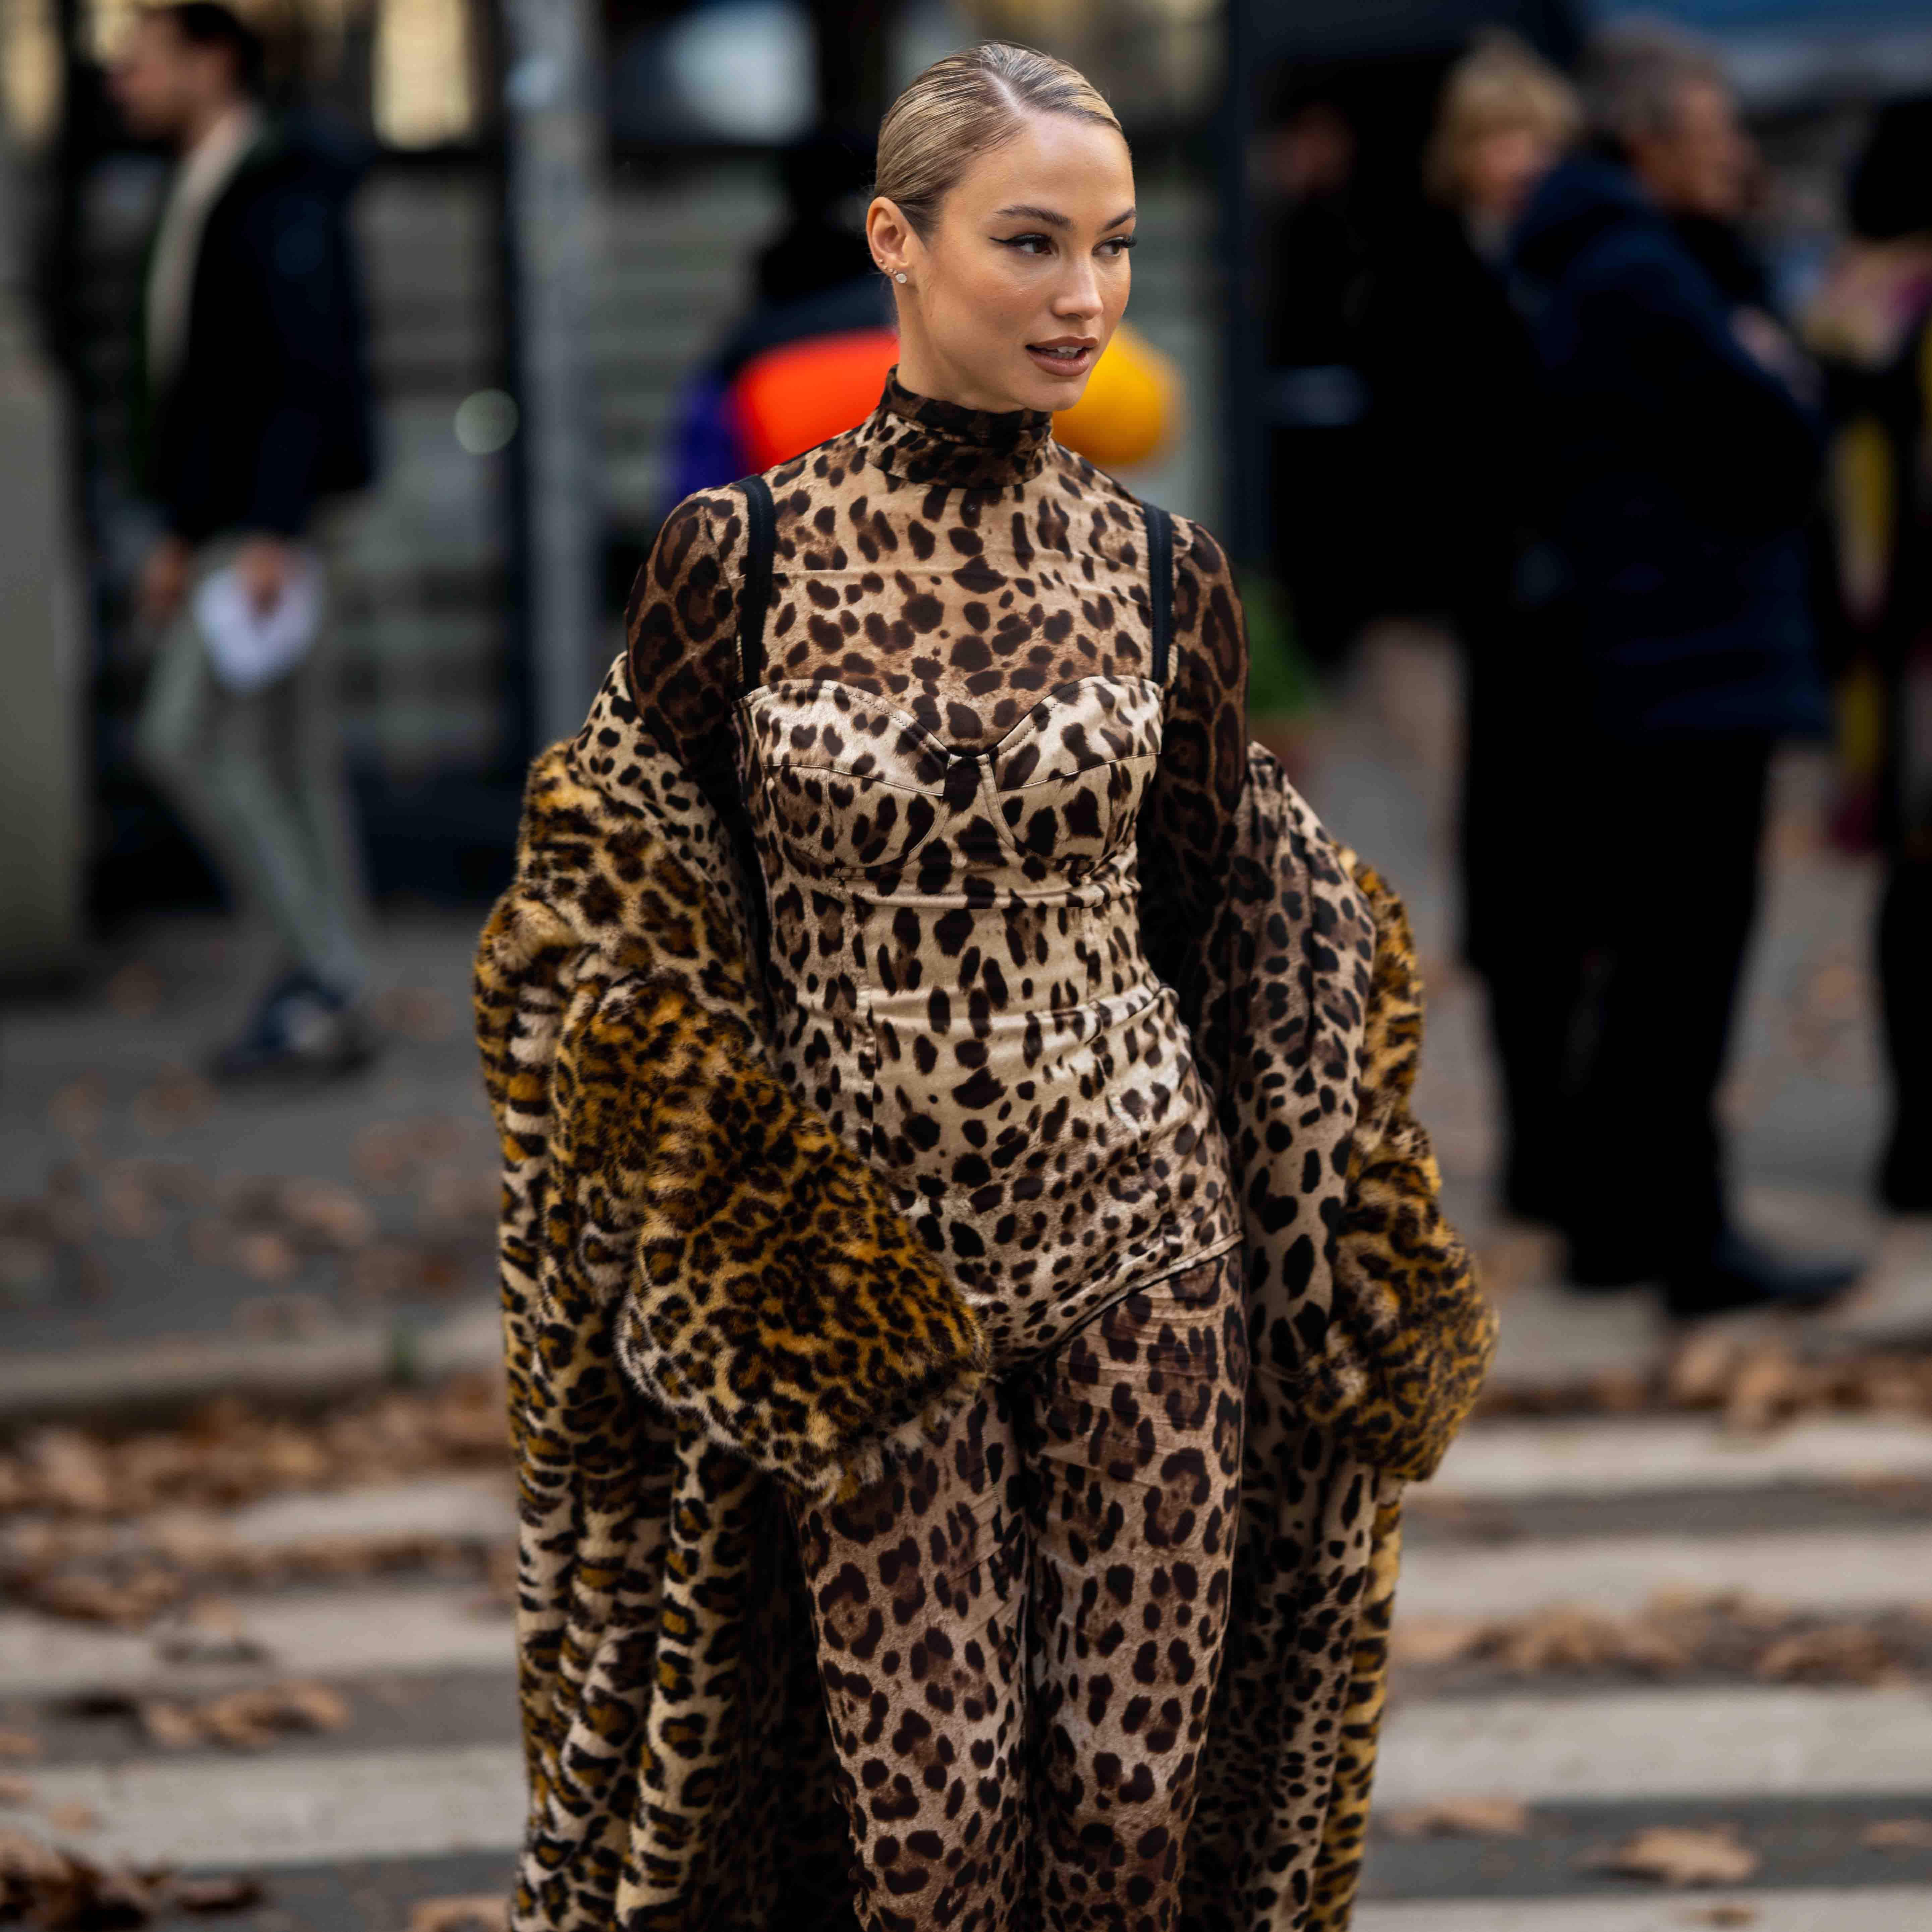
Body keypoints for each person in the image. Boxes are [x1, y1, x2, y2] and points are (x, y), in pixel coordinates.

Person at [474, 41, 1495, 1932]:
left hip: (1144, 1234)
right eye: (1029, 243)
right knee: (929, 1853)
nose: (1083, 298)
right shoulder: (740, 560)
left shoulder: (1166, 571)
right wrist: (742, 1229)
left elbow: (1232, 905)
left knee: (1128, 1836)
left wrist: (1342, 1188)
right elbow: (606, 910)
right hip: (870, 1288)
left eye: (1108, 247)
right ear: (898, 241)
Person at [1510, 22, 1856, 1314]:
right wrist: (1773, 369)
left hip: (1657, 658)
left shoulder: (1613, 262)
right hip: (1684, 662)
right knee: (1683, 962)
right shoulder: (1643, 275)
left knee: (1655, 956)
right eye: (1713, 134)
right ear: (1649, 143)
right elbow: (1773, 428)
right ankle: (1690, 1238)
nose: (1734, 159)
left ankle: (1622, 1221)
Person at [112, 2, 377, 1080]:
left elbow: (297, 363)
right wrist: (181, 527)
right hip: (237, 522)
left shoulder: (276, 182)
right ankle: (327, 986)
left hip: (271, 527)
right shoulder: (210, 176)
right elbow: (205, 382)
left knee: (188, 739)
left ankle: (321, 976)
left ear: (212, 60)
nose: (122, 80)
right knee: (289, 760)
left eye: (144, 59)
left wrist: (269, 525)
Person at [1370, 32, 1579, 1220]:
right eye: (1498, 139)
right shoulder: (1435, 274)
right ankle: (1539, 1139)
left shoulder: (1581, 261)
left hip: (1568, 612)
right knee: (1514, 878)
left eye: (1535, 137)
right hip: (1495, 617)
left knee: (1571, 881)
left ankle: (1573, 1135)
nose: (1518, 161)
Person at [1805, 95, 1932, 1211]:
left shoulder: (1842, 301)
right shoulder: (1920, 305)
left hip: (1869, 643)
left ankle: (1910, 1132)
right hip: (1920, 634)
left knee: (1906, 877)